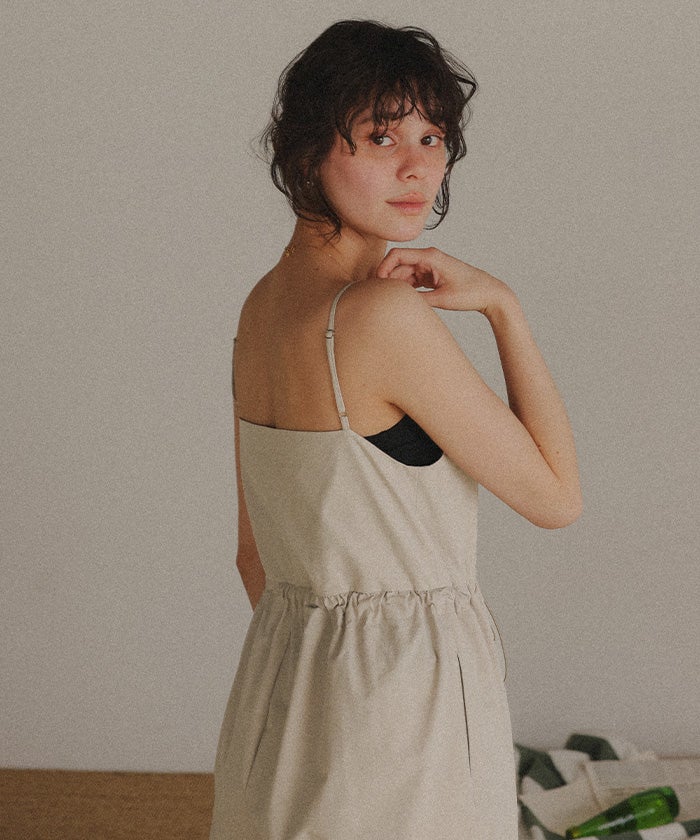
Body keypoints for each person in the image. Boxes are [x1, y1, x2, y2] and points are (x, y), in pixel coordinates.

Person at [209, 19, 582, 840]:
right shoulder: (380, 317)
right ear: (308, 150)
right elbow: (557, 498)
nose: (417, 166)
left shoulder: (262, 308)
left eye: (432, 136)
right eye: (381, 136)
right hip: (401, 711)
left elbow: (253, 556)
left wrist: (322, 665)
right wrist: (503, 307)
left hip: (282, 695)